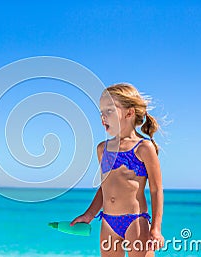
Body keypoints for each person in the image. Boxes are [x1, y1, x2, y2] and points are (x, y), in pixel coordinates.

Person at [71, 83, 164, 257]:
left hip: (135, 221)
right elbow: (104, 188)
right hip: (108, 222)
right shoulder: (102, 149)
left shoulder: (144, 148)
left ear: (129, 113)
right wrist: (89, 215)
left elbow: (156, 190)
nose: (103, 117)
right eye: (101, 112)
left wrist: (156, 228)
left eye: (109, 111)